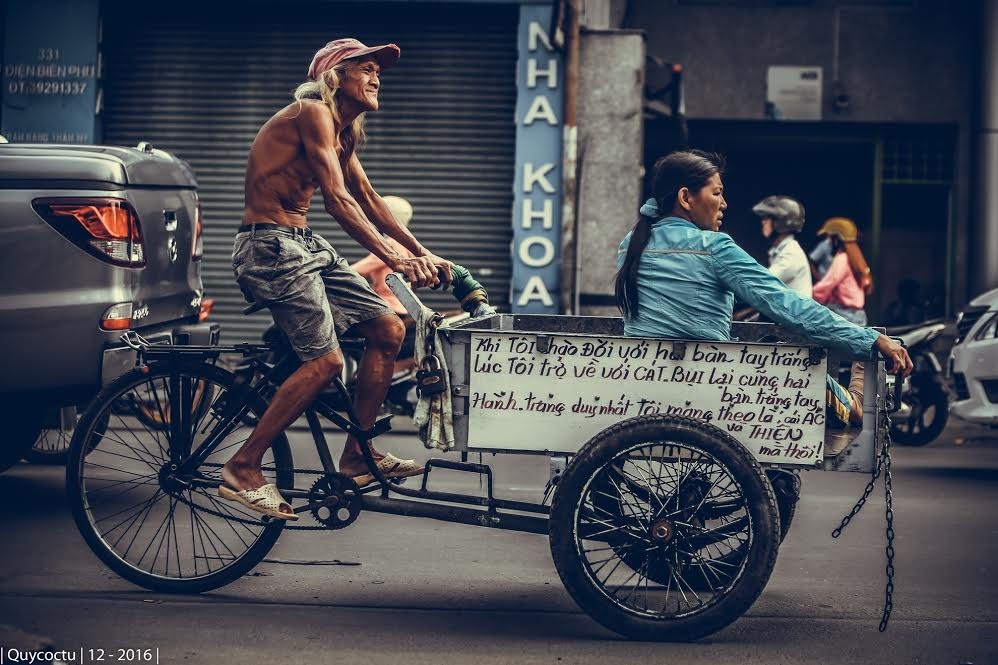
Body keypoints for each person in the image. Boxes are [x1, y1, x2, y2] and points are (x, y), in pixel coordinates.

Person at [220, 38, 453, 520]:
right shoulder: (311, 112)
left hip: (304, 244)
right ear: (334, 77)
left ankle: (356, 458)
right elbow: (338, 201)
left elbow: (367, 197)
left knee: (389, 329)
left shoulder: (344, 133)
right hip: (269, 246)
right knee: (326, 362)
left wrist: (422, 252)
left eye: (377, 71)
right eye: (365, 68)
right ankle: (243, 467)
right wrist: (393, 256)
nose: (376, 77)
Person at [614, 150, 912, 432]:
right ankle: (850, 405)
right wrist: (869, 339)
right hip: (705, 384)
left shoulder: (632, 244)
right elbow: (789, 307)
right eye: (717, 193)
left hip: (643, 382)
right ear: (685, 198)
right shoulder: (713, 248)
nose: (724, 203)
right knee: (780, 352)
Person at [752, 195, 812, 298]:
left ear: (781, 222)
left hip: (792, 313)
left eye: (768, 218)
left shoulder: (791, 253)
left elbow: (762, 282)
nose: (763, 221)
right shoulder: (781, 249)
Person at [812, 217, 868, 326]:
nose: (828, 242)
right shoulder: (856, 257)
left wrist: (809, 295)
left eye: (829, 238)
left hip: (844, 314)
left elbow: (828, 283)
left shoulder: (842, 258)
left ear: (837, 239)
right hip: (858, 314)